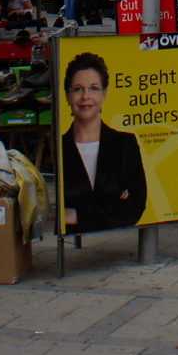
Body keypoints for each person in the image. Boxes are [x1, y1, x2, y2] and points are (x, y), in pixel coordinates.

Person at [59, 52, 148, 231]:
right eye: (77, 89)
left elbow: (135, 208)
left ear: (104, 94)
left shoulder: (125, 144)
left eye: (93, 88)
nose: (85, 96)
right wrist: (113, 207)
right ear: (68, 96)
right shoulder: (57, 147)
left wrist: (76, 215)